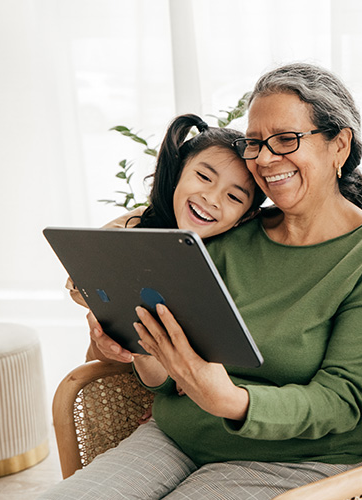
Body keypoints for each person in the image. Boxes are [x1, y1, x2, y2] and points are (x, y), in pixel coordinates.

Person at [42, 63, 362, 499]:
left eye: (286, 139)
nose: (265, 159)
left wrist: (230, 400)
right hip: (174, 438)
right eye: (255, 143)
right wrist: (138, 344)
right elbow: (166, 377)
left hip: (293, 460)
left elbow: (343, 400)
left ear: (340, 145)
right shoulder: (232, 229)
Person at [68, 113, 267, 364]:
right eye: (204, 177)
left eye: (234, 197)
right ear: (178, 170)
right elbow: (80, 283)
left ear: (246, 216)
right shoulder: (136, 225)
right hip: (115, 378)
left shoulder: (236, 255)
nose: (211, 199)